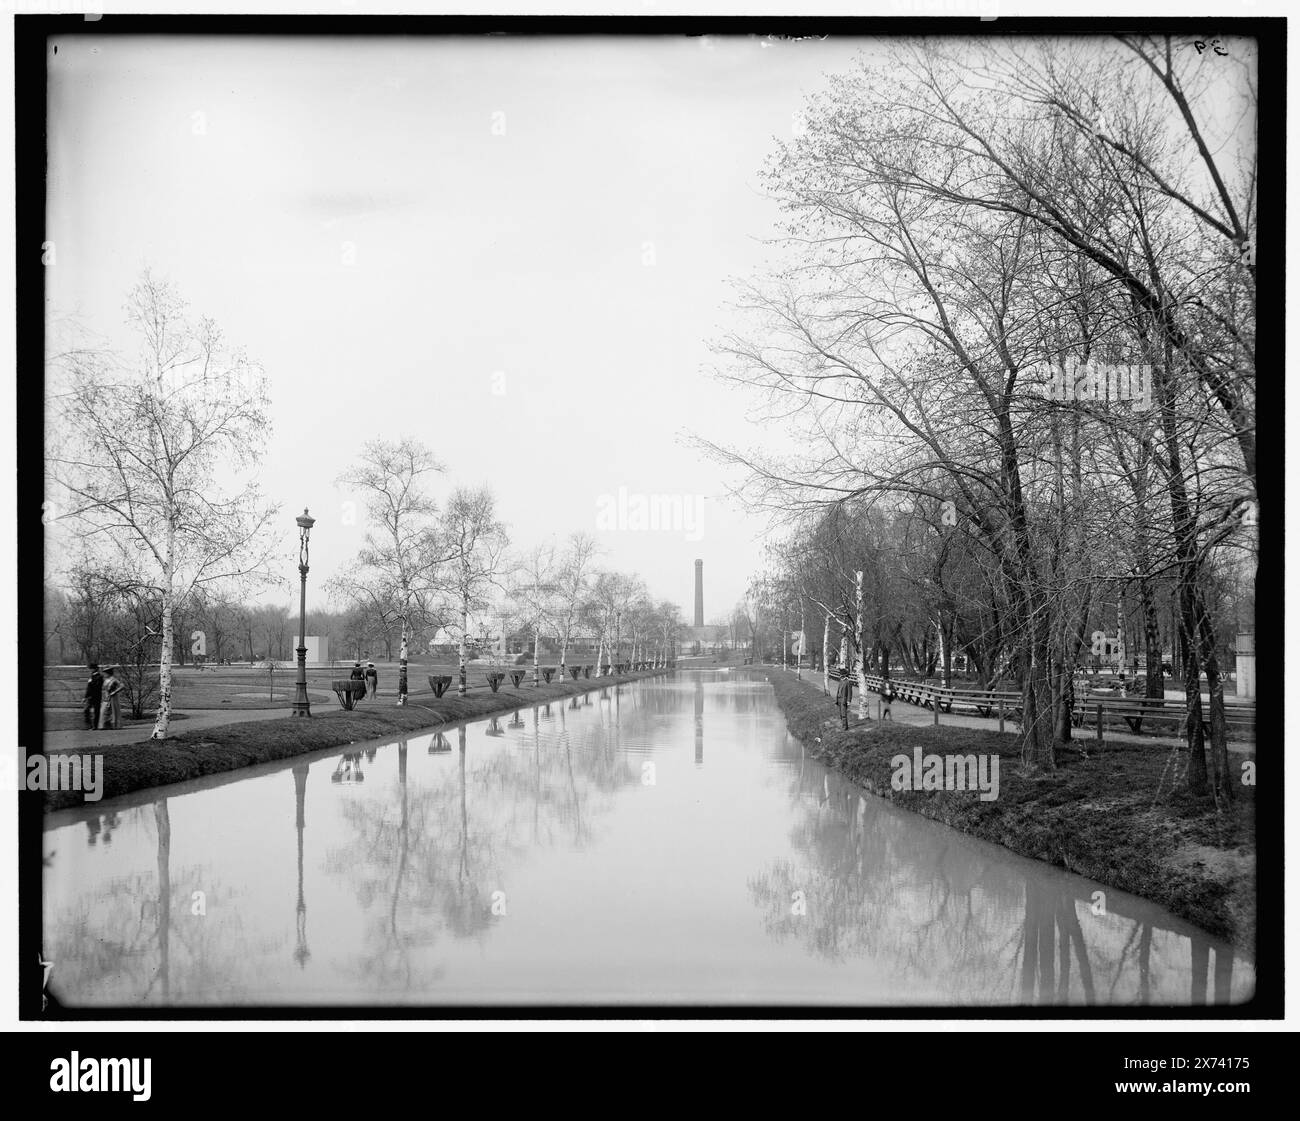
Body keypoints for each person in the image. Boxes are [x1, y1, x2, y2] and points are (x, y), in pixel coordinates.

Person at [83, 663, 103, 729]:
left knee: (96, 712)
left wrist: (91, 682)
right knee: (86, 710)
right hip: (90, 697)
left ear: (94, 669)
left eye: (90, 669)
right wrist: (85, 697)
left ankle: (95, 726)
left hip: (96, 697)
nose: (90, 670)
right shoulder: (91, 677)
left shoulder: (99, 677)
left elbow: (97, 687)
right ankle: (89, 725)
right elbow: (88, 688)